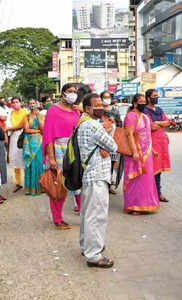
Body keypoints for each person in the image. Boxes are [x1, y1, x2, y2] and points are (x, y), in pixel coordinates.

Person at [78, 93, 117, 268]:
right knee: (97, 215)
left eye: (102, 103)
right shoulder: (93, 125)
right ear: (88, 108)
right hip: (97, 175)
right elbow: (113, 146)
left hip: (89, 175)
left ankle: (86, 245)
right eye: (97, 104)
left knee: (87, 213)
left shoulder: (82, 122)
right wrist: (110, 129)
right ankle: (94, 254)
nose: (101, 106)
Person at [42, 83, 81, 229]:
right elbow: (49, 135)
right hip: (58, 149)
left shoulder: (76, 110)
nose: (73, 94)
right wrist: (51, 157)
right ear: (63, 93)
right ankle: (57, 219)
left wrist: (80, 112)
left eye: (75, 92)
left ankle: (84, 215)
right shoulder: (53, 109)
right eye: (70, 91)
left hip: (74, 150)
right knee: (59, 185)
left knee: (77, 183)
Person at [123, 94, 160, 214]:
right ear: (135, 103)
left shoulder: (145, 116)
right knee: (136, 180)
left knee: (146, 179)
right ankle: (134, 205)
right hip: (136, 153)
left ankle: (146, 204)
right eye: (141, 101)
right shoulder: (131, 116)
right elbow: (129, 134)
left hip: (147, 153)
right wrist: (134, 152)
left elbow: (147, 135)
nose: (143, 103)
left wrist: (153, 150)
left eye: (144, 101)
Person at [144, 89, 171, 202]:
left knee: (159, 169)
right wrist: (161, 123)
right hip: (152, 142)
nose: (157, 97)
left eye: (157, 96)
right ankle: (151, 193)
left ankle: (158, 192)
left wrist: (158, 123)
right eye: (154, 96)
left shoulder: (159, 110)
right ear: (148, 98)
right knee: (151, 168)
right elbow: (151, 126)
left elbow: (168, 122)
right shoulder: (145, 110)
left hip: (161, 142)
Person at [6, 97, 28, 193]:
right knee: (15, 160)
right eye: (13, 102)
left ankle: (28, 182)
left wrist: (9, 128)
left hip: (23, 136)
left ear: (21, 102)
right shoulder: (10, 113)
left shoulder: (25, 112)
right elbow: (7, 125)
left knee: (25, 159)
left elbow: (22, 125)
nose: (15, 104)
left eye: (17, 102)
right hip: (14, 137)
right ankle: (18, 183)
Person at [23, 99, 44, 196]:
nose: (32, 105)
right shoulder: (27, 116)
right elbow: (26, 130)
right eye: (30, 103)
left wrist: (38, 116)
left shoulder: (41, 115)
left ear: (37, 104)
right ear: (28, 105)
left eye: (33, 103)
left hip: (39, 142)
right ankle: (30, 188)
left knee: (39, 163)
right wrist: (36, 131)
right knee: (31, 164)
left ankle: (41, 187)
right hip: (30, 143)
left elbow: (43, 129)